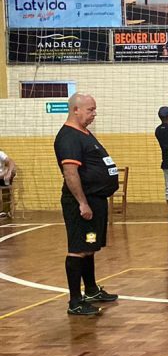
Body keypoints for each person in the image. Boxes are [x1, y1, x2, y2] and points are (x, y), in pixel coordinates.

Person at [53, 93, 120, 317]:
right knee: (78, 249)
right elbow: (70, 173)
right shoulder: (69, 137)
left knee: (89, 245)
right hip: (82, 205)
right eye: (90, 110)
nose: (94, 114)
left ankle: (90, 290)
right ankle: (75, 301)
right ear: (76, 110)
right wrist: (82, 203)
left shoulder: (84, 133)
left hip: (95, 201)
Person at [0, 149, 17, 218]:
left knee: (11, 171)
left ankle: (5, 211)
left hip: (3, 177)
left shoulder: (0, 154)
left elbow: (11, 161)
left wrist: (9, 172)